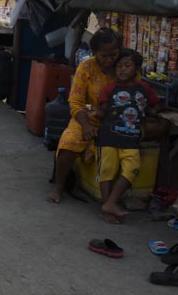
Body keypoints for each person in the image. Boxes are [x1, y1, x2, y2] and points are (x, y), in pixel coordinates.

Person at [47, 27, 123, 206]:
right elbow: (75, 102)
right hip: (87, 118)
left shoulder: (125, 66)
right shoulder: (86, 67)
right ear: (95, 52)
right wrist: (87, 126)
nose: (109, 60)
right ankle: (59, 187)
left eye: (113, 55)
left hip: (116, 119)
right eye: (104, 56)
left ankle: (110, 199)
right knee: (69, 141)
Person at [94, 49, 162, 220]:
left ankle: (111, 203)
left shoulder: (144, 88)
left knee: (132, 168)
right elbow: (102, 111)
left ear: (137, 69)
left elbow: (155, 105)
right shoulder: (109, 89)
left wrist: (150, 114)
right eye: (118, 66)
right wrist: (93, 114)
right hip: (109, 136)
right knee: (107, 170)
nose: (122, 69)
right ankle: (108, 207)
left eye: (127, 65)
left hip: (132, 137)